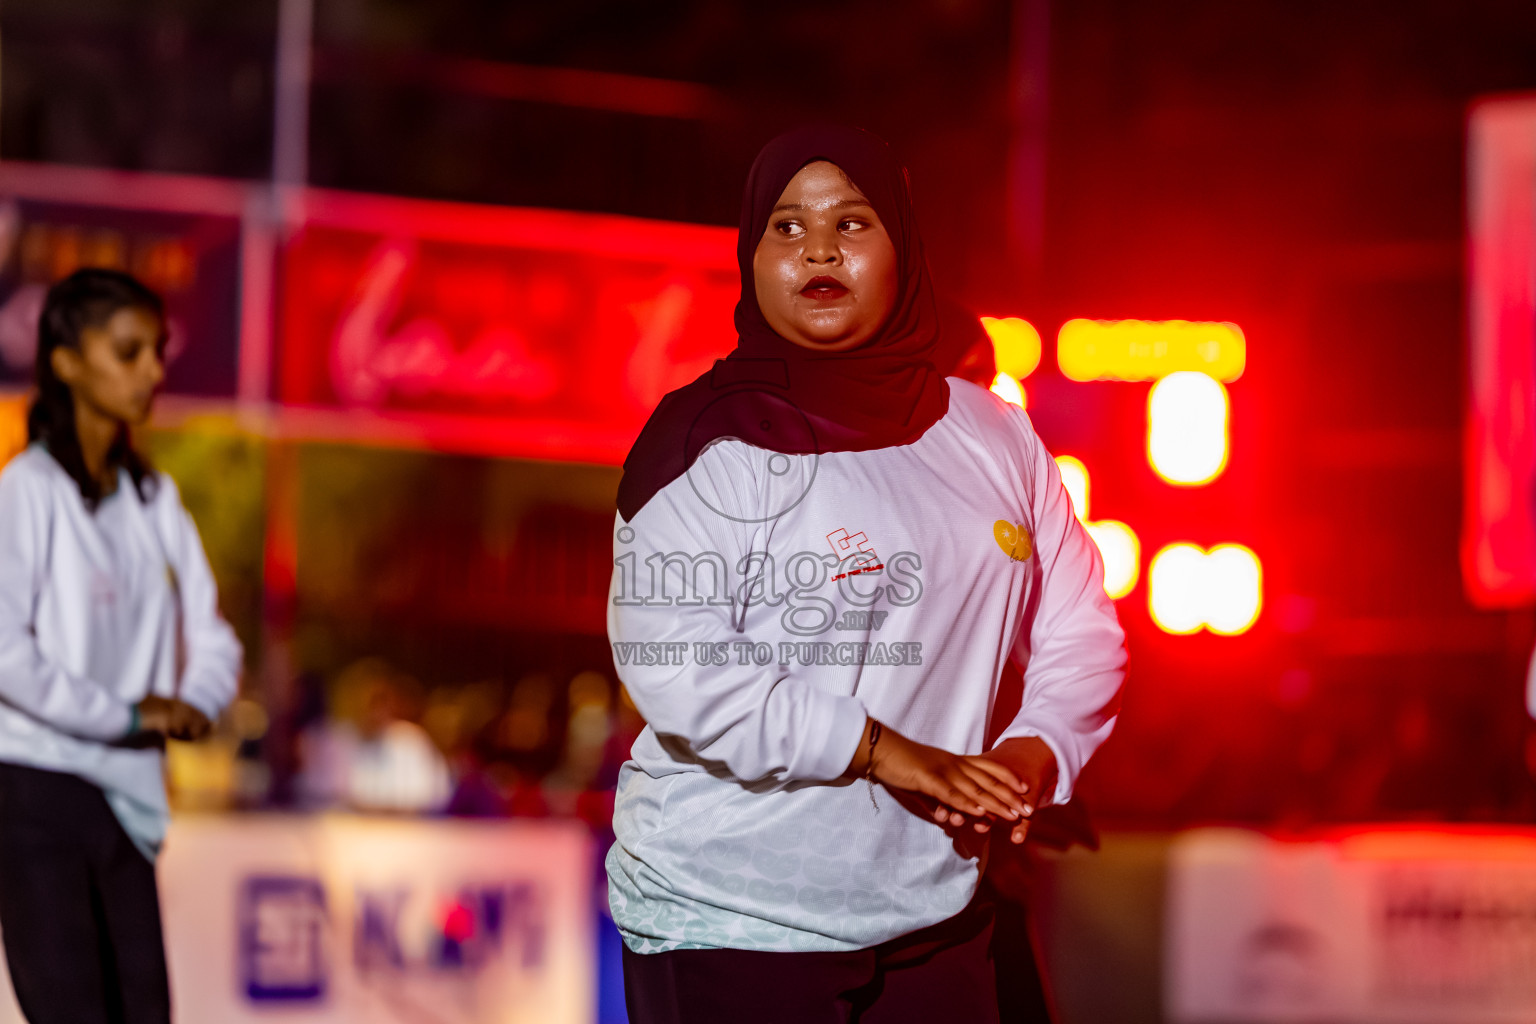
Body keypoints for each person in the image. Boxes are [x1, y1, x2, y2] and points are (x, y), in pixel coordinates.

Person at [606, 126, 1127, 1024]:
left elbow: (1082, 629)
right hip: (730, 915)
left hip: (933, 909)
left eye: (852, 223)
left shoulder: (994, 435)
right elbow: (677, 667)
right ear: (751, 255)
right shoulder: (698, 444)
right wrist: (890, 755)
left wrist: (1035, 751)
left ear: (904, 247)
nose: (817, 248)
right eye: (785, 227)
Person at [0, 268, 242, 1023]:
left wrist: (195, 703)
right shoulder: (26, 490)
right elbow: (6, 652)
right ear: (67, 361)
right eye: (129, 351)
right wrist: (133, 715)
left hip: (130, 802)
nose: (153, 371)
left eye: (158, 351)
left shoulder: (153, 498)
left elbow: (215, 634)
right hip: (36, 792)